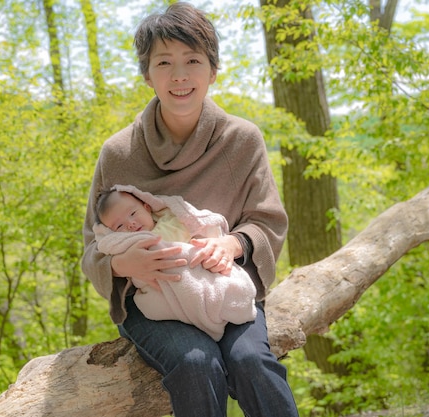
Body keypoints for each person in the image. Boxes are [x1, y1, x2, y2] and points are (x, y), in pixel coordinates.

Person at [80, 2, 299, 416]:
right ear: (147, 74)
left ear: (212, 71)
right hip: (154, 298)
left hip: (224, 287)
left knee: (252, 362)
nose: (179, 75)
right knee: (196, 362)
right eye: (164, 62)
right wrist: (126, 265)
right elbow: (93, 245)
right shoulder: (118, 153)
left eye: (192, 60)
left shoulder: (242, 140)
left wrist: (232, 245)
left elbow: (267, 220)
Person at [93, 184, 257, 341]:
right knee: (151, 305)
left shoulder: (172, 220)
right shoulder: (131, 245)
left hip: (198, 270)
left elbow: (203, 228)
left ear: (147, 207)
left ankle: (223, 303)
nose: (130, 223)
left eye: (133, 213)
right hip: (165, 290)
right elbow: (105, 245)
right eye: (119, 225)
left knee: (223, 284)